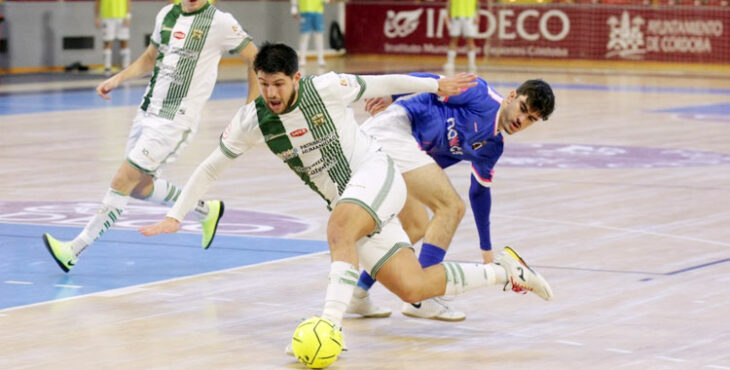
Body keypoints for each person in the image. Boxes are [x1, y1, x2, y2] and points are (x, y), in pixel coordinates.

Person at [139, 43, 553, 361]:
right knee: (413, 286)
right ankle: (505, 273)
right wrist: (177, 215)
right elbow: (210, 167)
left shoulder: (326, 87)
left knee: (340, 228)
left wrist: (434, 85)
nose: (271, 93)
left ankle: (328, 329)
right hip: (356, 197)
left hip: (377, 173)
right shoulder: (253, 120)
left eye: (279, 84)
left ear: (296, 78)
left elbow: (381, 83)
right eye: (264, 84)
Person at [42, 0, 260, 273]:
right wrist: (117, 79)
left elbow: (255, 57)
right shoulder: (167, 14)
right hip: (147, 112)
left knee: (122, 180)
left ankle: (73, 249)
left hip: (175, 120)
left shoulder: (220, 22)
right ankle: (206, 210)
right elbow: (149, 58)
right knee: (140, 187)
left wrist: (248, 108)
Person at [346, 74, 555, 321]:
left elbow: (479, 192)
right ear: (511, 96)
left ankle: (358, 295)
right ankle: (421, 299)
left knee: (415, 226)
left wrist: (486, 247)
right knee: (451, 207)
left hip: (401, 151)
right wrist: (392, 94)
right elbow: (432, 81)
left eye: (531, 119)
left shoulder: (492, 147)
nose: (522, 120)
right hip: (394, 129)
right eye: (522, 109)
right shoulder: (480, 94)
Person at [94, 0, 132, 75]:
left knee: (124, 42)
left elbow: (128, 2)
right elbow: (97, 2)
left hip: (122, 17)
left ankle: (126, 67)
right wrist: (96, 17)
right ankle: (107, 67)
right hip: (107, 17)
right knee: (107, 42)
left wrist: (128, 16)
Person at [444, 0, 480, 73]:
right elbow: (449, 3)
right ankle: (450, 62)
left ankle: (472, 64)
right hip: (456, 17)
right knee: (454, 39)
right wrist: (447, 15)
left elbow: (477, 3)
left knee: (470, 40)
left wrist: (477, 15)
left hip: (469, 17)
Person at [290, 0, 328, 67]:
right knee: (304, 35)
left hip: (318, 11)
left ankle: (321, 59)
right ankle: (302, 59)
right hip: (305, 11)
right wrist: (294, 8)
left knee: (319, 35)